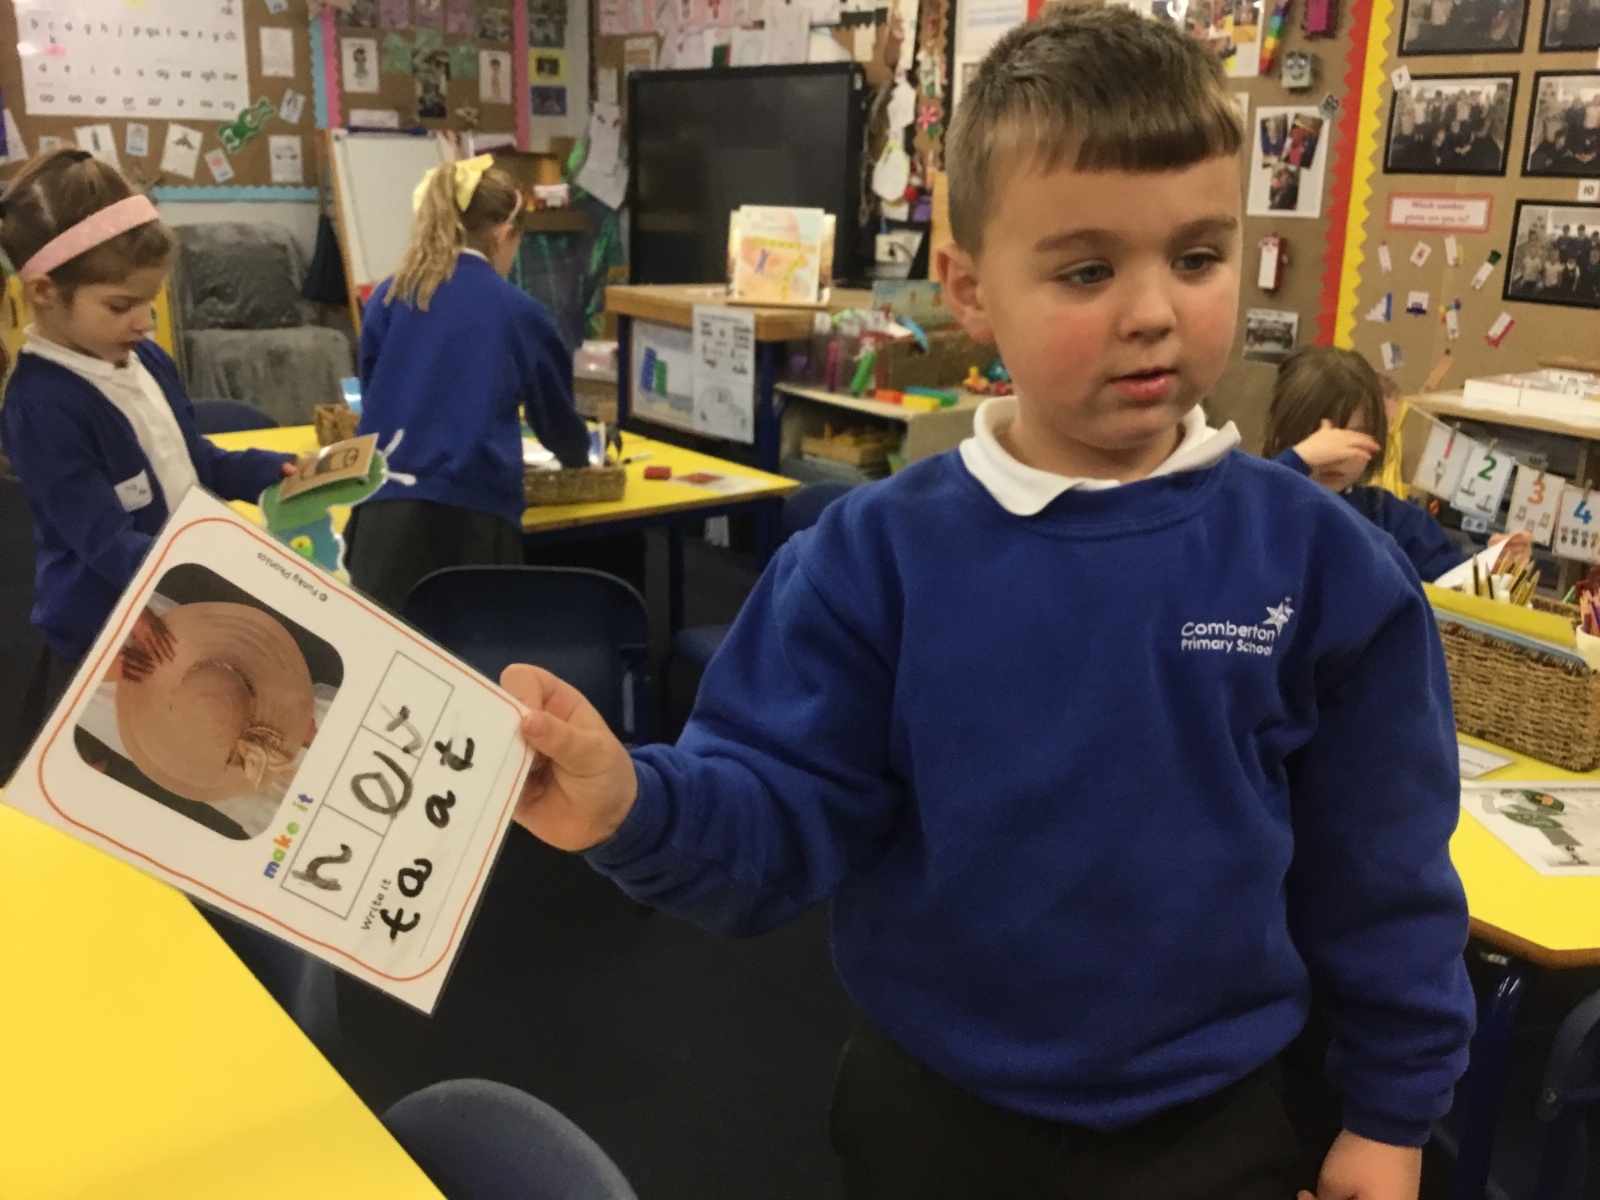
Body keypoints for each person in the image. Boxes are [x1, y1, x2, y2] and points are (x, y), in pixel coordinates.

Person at [500, 11, 1474, 1200]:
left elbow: (1384, 874)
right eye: (1085, 270)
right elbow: (776, 811)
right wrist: (632, 806)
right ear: (969, 286)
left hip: (1214, 1124)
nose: (1151, 311)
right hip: (935, 1118)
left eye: (1196, 257)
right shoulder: (874, 559)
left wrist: (1389, 1116)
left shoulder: (1323, 566)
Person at [0, 149, 297, 762]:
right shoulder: (41, 406)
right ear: (45, 291)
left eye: (151, 302)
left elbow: (194, 463)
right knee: (120, 774)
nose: (143, 321)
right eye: (121, 305)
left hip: (176, 597)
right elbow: (105, 542)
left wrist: (272, 471)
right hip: (107, 630)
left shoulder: (145, 358)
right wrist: (218, 567)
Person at [343, 154, 590, 612]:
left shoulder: (387, 297)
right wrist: (579, 456)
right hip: (473, 518)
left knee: (383, 648)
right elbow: (556, 417)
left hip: (382, 513)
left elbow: (375, 396)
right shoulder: (518, 310)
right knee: (472, 648)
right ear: (502, 234)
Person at [1263, 347, 1502, 581]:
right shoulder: (1258, 499)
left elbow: (1454, 578)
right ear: (1283, 429)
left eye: (1355, 436)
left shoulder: (1393, 519)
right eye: (1320, 437)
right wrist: (1298, 461)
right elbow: (1252, 517)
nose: (1336, 454)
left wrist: (1495, 564)